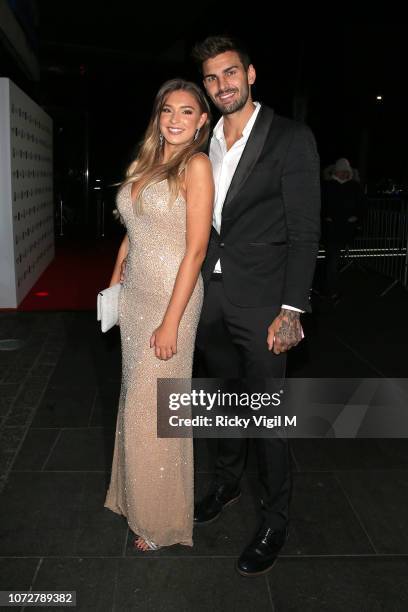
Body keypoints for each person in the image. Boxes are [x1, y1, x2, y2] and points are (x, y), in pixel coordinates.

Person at [191, 36, 321, 576]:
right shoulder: (201, 139)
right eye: (211, 78)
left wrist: (292, 309)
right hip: (211, 296)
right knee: (222, 401)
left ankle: (275, 518)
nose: (222, 85)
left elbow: (304, 228)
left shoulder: (290, 137)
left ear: (250, 73)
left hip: (266, 302)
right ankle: (226, 482)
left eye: (229, 73)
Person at [104, 79, 214, 551]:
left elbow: (195, 250)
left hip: (175, 294)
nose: (174, 119)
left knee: (159, 407)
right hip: (136, 296)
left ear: (201, 121)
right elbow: (133, 229)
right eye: (168, 110)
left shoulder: (196, 165)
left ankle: (161, 519)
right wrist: (115, 282)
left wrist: (171, 321)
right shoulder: (148, 163)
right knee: (136, 399)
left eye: (187, 112)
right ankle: (133, 497)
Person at [322, 157, 367, 300]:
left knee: (334, 259)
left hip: (347, 229)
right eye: (341, 171)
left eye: (346, 171)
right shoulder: (328, 186)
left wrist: (357, 218)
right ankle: (332, 289)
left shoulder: (354, 187)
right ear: (336, 171)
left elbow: (362, 206)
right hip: (332, 229)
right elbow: (321, 205)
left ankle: (330, 286)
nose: (344, 174)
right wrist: (325, 216)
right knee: (333, 259)